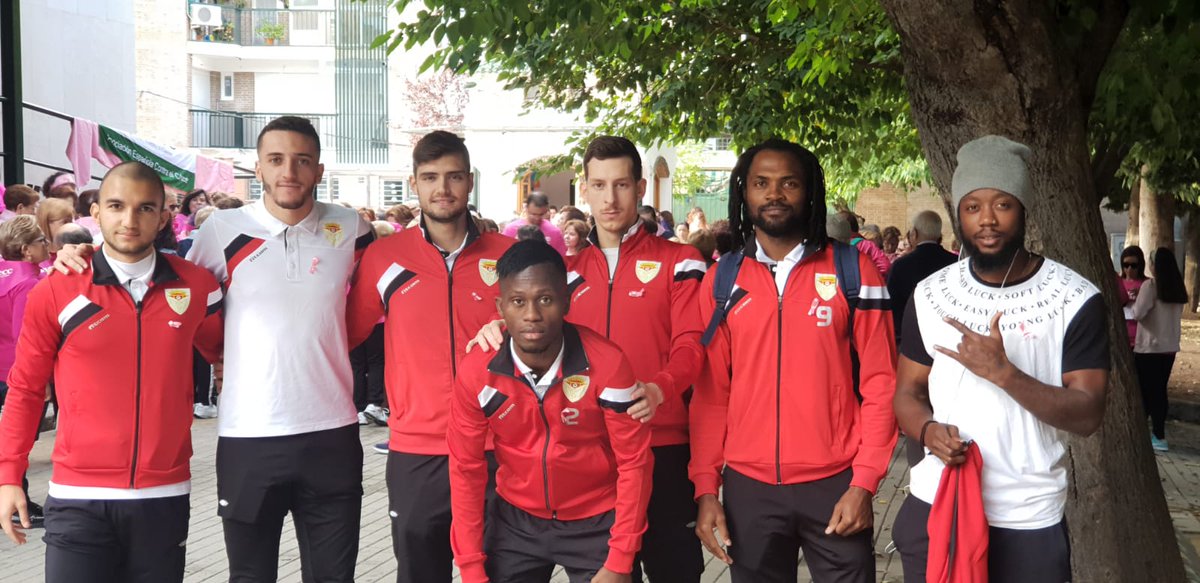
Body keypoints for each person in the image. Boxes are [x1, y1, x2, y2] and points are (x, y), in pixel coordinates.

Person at [52, 117, 374, 581]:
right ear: (258, 169)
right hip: (248, 435)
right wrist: (83, 256)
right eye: (276, 160)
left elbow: (371, 302)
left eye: (302, 161)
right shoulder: (222, 229)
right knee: (250, 575)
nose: (289, 171)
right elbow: (169, 285)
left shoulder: (352, 228)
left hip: (332, 432)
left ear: (319, 170)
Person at [471, 136, 706, 583]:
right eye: (598, 185)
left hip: (663, 443)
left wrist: (660, 388)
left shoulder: (682, 261)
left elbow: (692, 346)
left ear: (640, 188)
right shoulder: (566, 272)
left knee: (674, 570)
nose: (609, 198)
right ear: (585, 189)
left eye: (620, 185)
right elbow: (531, 321)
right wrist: (496, 326)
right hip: (590, 455)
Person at [891, 135, 1109, 582]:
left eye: (1002, 205)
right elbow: (906, 394)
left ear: (1024, 208)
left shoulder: (1075, 298)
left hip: (1026, 515)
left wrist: (1005, 375)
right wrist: (928, 431)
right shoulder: (931, 294)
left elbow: (1087, 414)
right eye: (972, 207)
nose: (987, 220)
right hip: (938, 503)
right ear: (958, 214)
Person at [0, 161, 224, 583]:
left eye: (144, 208)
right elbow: (27, 389)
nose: (129, 219)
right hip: (78, 498)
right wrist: (9, 474)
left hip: (163, 495)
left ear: (162, 217)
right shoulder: (58, 288)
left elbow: (224, 352)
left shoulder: (196, 286)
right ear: (96, 213)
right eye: (117, 206)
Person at [689, 138, 897, 582]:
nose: (774, 194)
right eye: (761, 183)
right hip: (750, 488)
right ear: (744, 192)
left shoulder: (854, 271)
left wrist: (865, 483)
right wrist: (707, 489)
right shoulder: (722, 279)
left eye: (789, 183)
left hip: (836, 481)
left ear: (810, 192)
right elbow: (710, 397)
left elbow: (881, 383)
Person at [345, 130, 513, 583]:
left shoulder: (510, 257)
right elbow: (344, 334)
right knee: (421, 573)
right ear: (414, 184)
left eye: (454, 176)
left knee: (501, 571)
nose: (443, 188)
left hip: (499, 448)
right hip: (418, 450)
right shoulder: (384, 258)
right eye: (431, 177)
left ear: (469, 181)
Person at [448, 240, 652, 583]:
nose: (531, 315)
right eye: (517, 301)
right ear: (500, 307)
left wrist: (620, 559)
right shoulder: (476, 371)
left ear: (567, 301)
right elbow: (465, 469)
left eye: (545, 299)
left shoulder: (608, 363)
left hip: (597, 521)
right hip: (516, 521)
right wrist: (470, 568)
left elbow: (635, 463)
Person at [0, 216, 49, 528]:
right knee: (17, 441)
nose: (47, 244)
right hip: (14, 374)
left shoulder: (5, 276)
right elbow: (25, 337)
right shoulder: (28, 283)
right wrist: (38, 380)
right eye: (41, 240)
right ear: (26, 250)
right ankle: (20, 504)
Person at [1132, 247, 1187, 452]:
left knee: (1146, 391)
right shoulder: (1177, 288)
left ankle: (1155, 434)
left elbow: (1138, 313)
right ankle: (1157, 433)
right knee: (1158, 390)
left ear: (1155, 266)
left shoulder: (1151, 286)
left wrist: (1135, 299)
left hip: (1148, 348)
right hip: (1169, 347)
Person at [886, 210, 958, 342]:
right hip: (948, 335)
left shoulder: (901, 265)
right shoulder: (957, 263)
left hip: (910, 335)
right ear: (939, 235)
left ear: (914, 234)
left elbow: (891, 305)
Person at [502, 192, 567, 255]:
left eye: (541, 214)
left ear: (546, 210)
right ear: (526, 209)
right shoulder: (511, 229)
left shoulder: (554, 232)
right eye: (533, 214)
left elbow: (561, 259)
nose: (537, 218)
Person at [1118, 246, 1148, 348]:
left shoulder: (1148, 284)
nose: (1129, 269)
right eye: (1126, 265)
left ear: (1140, 265)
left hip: (1142, 338)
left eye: (1133, 265)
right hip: (1122, 336)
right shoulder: (1117, 283)